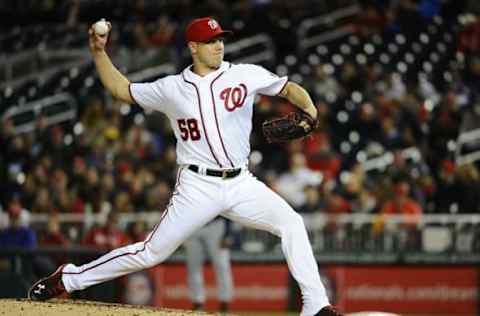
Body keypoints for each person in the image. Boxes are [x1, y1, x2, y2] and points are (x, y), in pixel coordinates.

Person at [28, 16, 342, 316]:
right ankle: (70, 278)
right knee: (151, 252)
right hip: (197, 186)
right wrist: (99, 52)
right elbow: (121, 90)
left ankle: (316, 306)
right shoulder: (171, 88)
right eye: (210, 41)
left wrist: (310, 108)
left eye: (220, 39)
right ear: (193, 47)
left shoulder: (245, 74)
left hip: (240, 182)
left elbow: (288, 88)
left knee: (292, 223)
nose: (218, 46)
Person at [184, 217, 233, 313]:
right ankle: (197, 303)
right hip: (194, 224)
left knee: (222, 265)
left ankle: (225, 303)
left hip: (215, 225)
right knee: (193, 267)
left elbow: (227, 205)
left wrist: (228, 233)